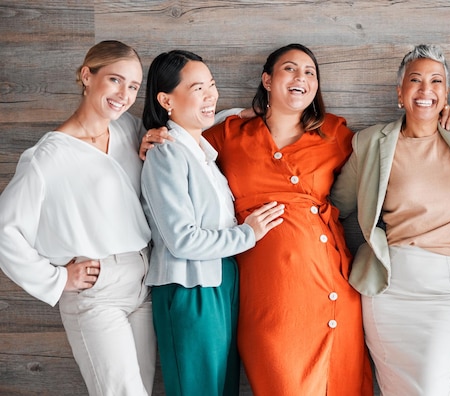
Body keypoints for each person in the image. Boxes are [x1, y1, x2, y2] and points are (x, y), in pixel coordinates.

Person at [201, 43, 373, 396]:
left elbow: (388, 150)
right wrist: (157, 139)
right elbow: (184, 147)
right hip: (268, 293)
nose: (302, 77)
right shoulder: (230, 134)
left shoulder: (333, 134)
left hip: (328, 280)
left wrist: (443, 118)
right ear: (267, 80)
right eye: (290, 69)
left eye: (310, 72)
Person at [330, 44, 450, 395]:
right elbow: (335, 205)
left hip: (446, 290)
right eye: (415, 80)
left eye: (436, 81)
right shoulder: (371, 142)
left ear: (446, 93)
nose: (426, 90)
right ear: (400, 92)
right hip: (389, 288)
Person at [0, 40, 156, 396]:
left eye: (133, 86)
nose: (124, 94)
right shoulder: (48, 156)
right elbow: (4, 230)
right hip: (96, 292)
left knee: (142, 389)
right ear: (87, 75)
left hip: (142, 280)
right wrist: (56, 279)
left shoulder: (128, 130)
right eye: (116, 80)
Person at [140, 50, 285, 396]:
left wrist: (240, 113)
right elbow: (182, 240)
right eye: (198, 88)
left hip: (221, 282)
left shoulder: (199, 149)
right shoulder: (164, 152)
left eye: (212, 85)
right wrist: (248, 233)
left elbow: (212, 116)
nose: (211, 96)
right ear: (166, 99)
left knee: (221, 388)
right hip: (190, 288)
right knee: (198, 389)